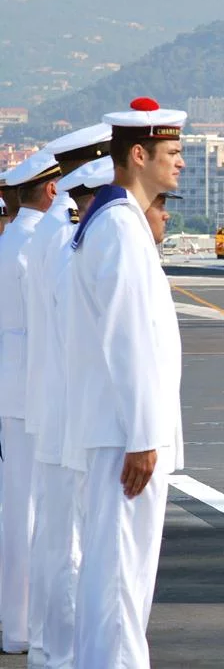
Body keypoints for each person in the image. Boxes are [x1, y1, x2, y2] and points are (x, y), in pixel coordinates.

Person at [66, 98, 186, 668]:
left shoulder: (120, 223)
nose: (180, 163)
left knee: (120, 576)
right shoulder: (119, 228)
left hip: (123, 429)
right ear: (139, 155)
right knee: (119, 578)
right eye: (172, 152)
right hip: (125, 435)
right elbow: (128, 338)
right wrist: (142, 436)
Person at [23, 124, 111, 667]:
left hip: (54, 405)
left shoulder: (50, 231)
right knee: (70, 542)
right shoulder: (69, 237)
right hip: (70, 408)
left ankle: (50, 646)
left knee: (57, 535)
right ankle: (62, 651)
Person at [0, 150, 62, 654]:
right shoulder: (37, 244)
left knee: (18, 506)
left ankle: (16, 623)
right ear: (51, 190)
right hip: (33, 388)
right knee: (34, 510)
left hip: (14, 386)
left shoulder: (11, 239)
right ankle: (26, 626)